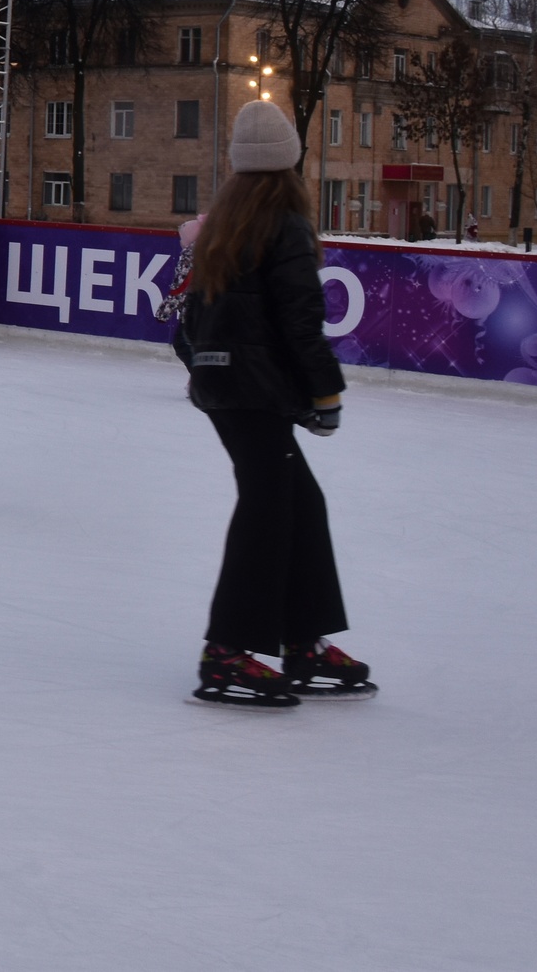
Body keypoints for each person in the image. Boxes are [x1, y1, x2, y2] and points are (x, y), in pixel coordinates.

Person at [178, 99, 370, 709]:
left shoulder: (223, 225)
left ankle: (302, 641)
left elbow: (191, 321)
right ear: (289, 163)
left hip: (225, 389)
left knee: (297, 502)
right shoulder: (284, 224)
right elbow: (300, 322)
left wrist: (211, 370)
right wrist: (324, 393)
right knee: (269, 506)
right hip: (252, 390)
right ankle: (227, 651)